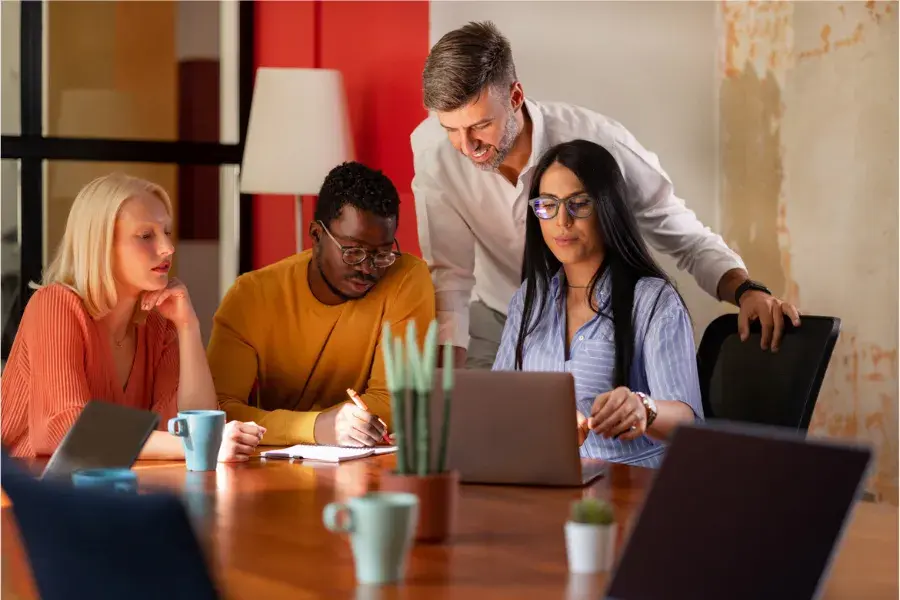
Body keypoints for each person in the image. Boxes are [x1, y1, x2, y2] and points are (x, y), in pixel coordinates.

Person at [412, 21, 802, 369]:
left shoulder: (599, 141)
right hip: (501, 316)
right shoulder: (434, 155)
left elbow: (677, 229)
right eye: (451, 129)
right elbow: (450, 276)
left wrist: (747, 290)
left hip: (601, 319)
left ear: (515, 96)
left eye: (481, 125)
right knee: (478, 427)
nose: (467, 146)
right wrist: (448, 386)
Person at [1, 173, 265, 460]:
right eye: (146, 235)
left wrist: (188, 326)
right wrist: (199, 446)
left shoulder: (158, 321)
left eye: (166, 231)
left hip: (112, 489)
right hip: (27, 494)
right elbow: (64, 430)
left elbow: (187, 424)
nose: (167, 247)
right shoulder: (55, 305)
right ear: (100, 244)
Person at [493, 140, 703, 468]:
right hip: (548, 481)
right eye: (548, 205)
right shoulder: (529, 300)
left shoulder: (653, 301)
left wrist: (645, 408)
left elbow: (689, 426)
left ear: (607, 208)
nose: (562, 221)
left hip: (628, 486)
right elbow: (497, 404)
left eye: (578, 204)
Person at [207, 162, 435, 448]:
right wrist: (315, 428)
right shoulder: (251, 296)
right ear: (316, 235)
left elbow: (398, 401)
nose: (368, 268)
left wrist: (327, 427)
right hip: (271, 466)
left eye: (382, 254)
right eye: (353, 252)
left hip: (363, 469)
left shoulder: (406, 278)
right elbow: (217, 411)